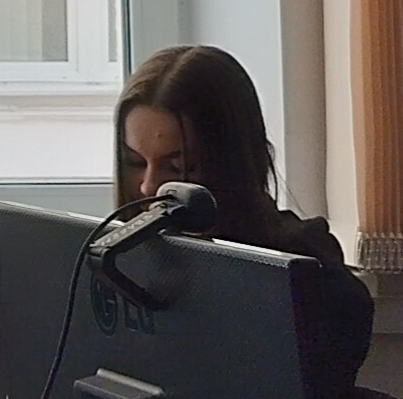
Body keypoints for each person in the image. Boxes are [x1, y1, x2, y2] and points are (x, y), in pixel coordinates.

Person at [115, 43, 372, 374]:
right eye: (136, 162)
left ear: (232, 163)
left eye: (180, 167)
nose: (148, 187)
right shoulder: (116, 263)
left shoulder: (307, 274)